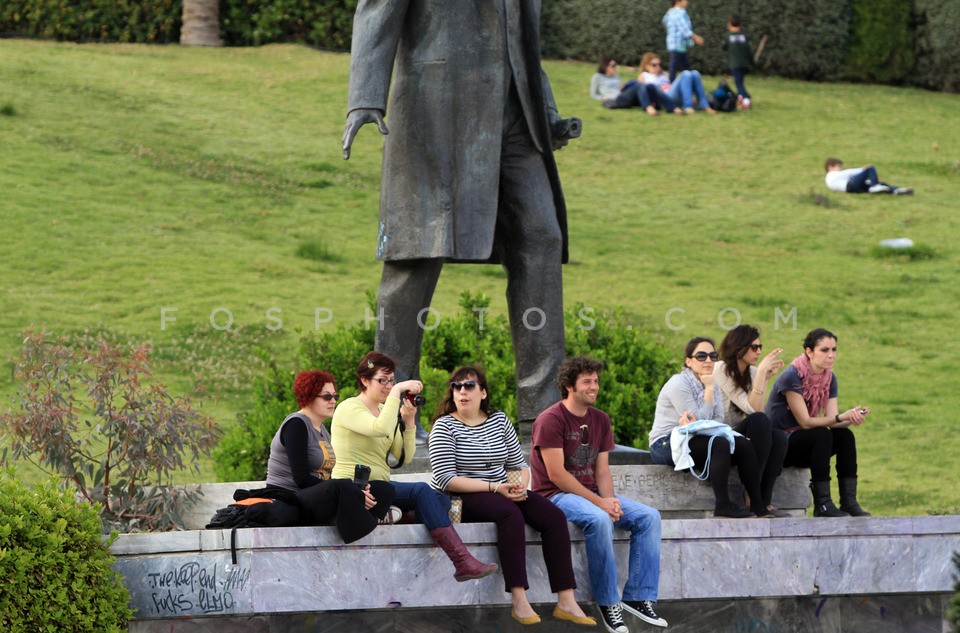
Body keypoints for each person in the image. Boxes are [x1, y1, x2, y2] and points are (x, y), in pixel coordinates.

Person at [341, 1, 578, 442]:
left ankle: (542, 417)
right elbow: (377, 9)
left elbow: (521, 40)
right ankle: (392, 413)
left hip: (515, 116)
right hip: (438, 108)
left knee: (540, 238)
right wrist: (365, 98)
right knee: (416, 255)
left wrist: (546, 109)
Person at [429, 365, 595, 627]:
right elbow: (445, 478)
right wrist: (495, 487)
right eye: (456, 387)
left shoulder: (498, 420)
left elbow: (518, 464)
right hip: (460, 497)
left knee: (553, 516)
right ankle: (519, 600)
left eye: (469, 386)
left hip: (502, 491)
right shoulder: (444, 426)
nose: (462, 391)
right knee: (510, 514)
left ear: (483, 392)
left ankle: (566, 601)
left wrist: (518, 487)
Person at [331, 352, 498, 581]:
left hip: (381, 485)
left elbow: (404, 456)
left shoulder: (385, 412)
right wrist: (398, 391)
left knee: (440, 500)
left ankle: (394, 515)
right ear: (364, 380)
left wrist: (409, 421)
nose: (388, 386)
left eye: (391, 380)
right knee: (421, 491)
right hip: (355, 486)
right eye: (382, 380)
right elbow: (379, 429)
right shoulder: (349, 408)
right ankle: (462, 560)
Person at [531, 356, 668, 633]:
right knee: (599, 519)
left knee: (649, 517)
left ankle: (638, 596)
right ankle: (608, 602)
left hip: (590, 493)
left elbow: (601, 470)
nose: (594, 386)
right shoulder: (550, 420)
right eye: (586, 382)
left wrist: (611, 502)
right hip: (555, 496)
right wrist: (600, 504)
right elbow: (557, 475)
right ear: (569, 386)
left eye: (595, 381)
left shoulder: (600, 419)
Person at [264, 370, 396, 543]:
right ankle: (360, 524)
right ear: (309, 397)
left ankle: (358, 521)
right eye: (327, 397)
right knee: (343, 486)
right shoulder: (296, 425)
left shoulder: (322, 430)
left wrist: (356, 491)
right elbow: (302, 480)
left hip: (314, 497)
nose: (333, 401)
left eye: (335, 396)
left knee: (384, 489)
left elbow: (326, 480)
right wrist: (351, 492)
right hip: (290, 497)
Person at [649, 337, 770, 519]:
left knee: (744, 444)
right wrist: (710, 389)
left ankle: (757, 505)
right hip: (665, 444)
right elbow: (701, 422)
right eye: (701, 356)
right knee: (719, 443)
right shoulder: (678, 384)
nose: (708, 360)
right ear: (688, 361)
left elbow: (717, 420)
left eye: (712, 356)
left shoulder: (711, 382)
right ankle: (722, 505)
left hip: (696, 438)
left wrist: (710, 388)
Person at [765, 328, 871, 517]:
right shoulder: (792, 376)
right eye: (824, 350)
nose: (831, 355)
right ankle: (822, 504)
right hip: (781, 445)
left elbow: (833, 420)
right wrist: (841, 417)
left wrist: (851, 418)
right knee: (821, 434)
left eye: (834, 349)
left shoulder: (829, 378)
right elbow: (805, 422)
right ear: (809, 351)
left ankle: (849, 501)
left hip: (806, 442)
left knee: (844, 436)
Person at [714, 326, 789, 517]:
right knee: (759, 420)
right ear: (738, 347)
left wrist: (763, 378)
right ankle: (753, 499)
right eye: (754, 347)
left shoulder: (753, 372)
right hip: (720, 436)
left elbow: (759, 412)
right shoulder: (720, 369)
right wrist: (762, 373)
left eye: (760, 347)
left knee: (779, 437)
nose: (759, 352)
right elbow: (751, 409)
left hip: (739, 433)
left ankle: (764, 500)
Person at [639, 52, 714, 114]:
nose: (657, 67)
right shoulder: (644, 75)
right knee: (686, 74)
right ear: (646, 66)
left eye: (659, 64)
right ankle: (687, 106)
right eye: (654, 65)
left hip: (671, 93)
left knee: (695, 73)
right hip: (663, 97)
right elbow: (640, 92)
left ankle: (704, 105)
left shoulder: (663, 74)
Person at [590, 56, 660, 116]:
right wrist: (603, 98)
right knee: (638, 85)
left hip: (623, 95)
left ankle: (656, 104)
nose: (615, 67)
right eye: (613, 66)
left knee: (647, 86)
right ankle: (648, 107)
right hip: (617, 99)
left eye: (615, 65)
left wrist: (624, 86)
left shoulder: (616, 76)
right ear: (605, 66)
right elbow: (593, 95)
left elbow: (618, 88)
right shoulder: (597, 77)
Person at [662, 0, 704, 81]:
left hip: (677, 44)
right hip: (677, 44)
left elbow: (664, 22)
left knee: (682, 67)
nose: (687, 2)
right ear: (678, 1)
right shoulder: (678, 13)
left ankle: (681, 82)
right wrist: (696, 38)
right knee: (675, 68)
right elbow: (684, 29)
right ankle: (671, 85)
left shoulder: (671, 12)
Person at [824, 158, 913, 195]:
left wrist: (874, 180)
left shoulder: (831, 180)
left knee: (881, 185)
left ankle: (896, 190)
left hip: (852, 189)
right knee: (870, 168)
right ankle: (875, 186)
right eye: (838, 167)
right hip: (851, 185)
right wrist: (863, 169)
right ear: (830, 167)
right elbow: (848, 173)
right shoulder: (831, 175)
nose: (841, 169)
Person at [723, 14, 753, 109]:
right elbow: (749, 50)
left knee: (739, 83)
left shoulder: (728, 36)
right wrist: (751, 63)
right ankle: (740, 98)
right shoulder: (744, 36)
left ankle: (746, 100)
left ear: (729, 24)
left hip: (735, 63)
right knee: (740, 81)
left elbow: (724, 47)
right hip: (745, 63)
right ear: (740, 24)